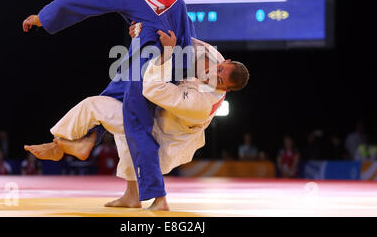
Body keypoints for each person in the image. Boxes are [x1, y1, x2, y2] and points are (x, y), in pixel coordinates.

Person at [22, 0, 196, 205]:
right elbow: (183, 24)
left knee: (135, 124)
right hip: (164, 57)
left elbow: (76, 2)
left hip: (149, 59)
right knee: (109, 97)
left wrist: (42, 18)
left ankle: (159, 197)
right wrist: (180, 70)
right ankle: (89, 143)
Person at [25, 27, 249, 209]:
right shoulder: (211, 55)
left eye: (220, 80)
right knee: (121, 131)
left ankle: (63, 145)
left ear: (226, 89)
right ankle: (131, 195)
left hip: (168, 137)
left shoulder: (202, 104)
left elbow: (152, 89)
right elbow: (178, 36)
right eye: (220, 69)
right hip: (159, 115)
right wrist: (142, 34)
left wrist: (168, 55)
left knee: (109, 116)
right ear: (225, 60)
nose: (214, 74)